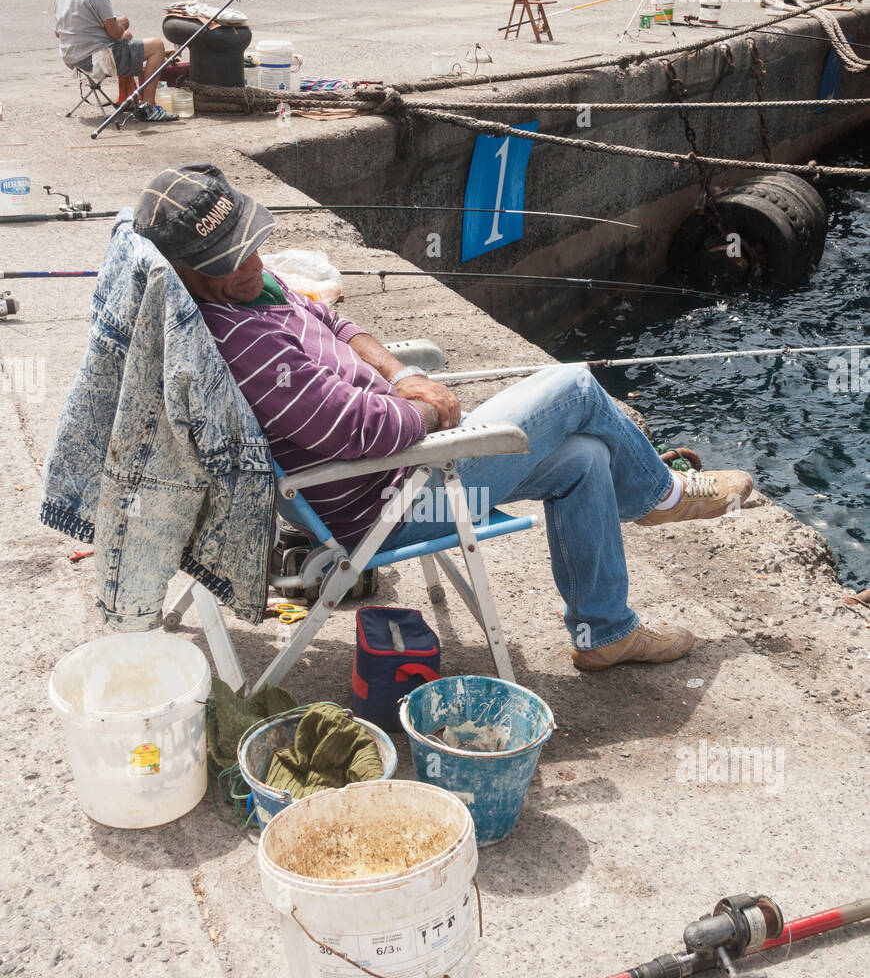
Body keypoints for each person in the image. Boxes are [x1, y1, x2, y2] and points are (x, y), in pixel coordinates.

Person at [133, 163, 754, 671]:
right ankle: (662, 494)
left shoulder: (252, 284)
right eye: (230, 258)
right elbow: (362, 432)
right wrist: (424, 412)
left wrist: (402, 375)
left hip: (402, 463)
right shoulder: (242, 345)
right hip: (390, 499)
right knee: (573, 386)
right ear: (185, 272)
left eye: (250, 243)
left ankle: (606, 632)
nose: (251, 263)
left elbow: (338, 323)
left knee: (587, 459)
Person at [53, 0, 177, 123]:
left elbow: (58, 32)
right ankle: (148, 107)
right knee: (156, 46)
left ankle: (128, 96)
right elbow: (114, 33)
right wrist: (123, 23)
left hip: (71, 56)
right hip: (92, 58)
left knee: (128, 39)